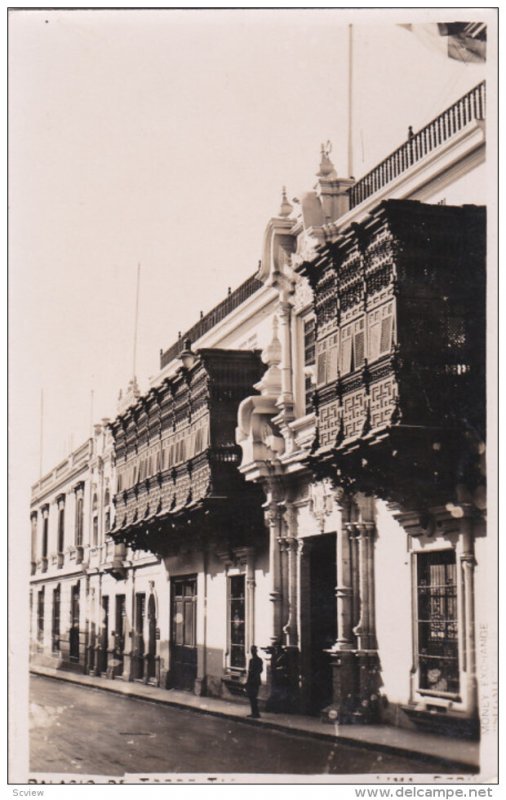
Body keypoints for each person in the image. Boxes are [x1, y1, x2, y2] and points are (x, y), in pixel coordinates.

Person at [245, 645, 263, 718]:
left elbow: (260, 670)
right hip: (251, 681)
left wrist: (254, 675)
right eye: (252, 651)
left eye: (253, 650)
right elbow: (250, 672)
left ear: (256, 651)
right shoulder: (251, 661)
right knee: (251, 697)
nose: (252, 652)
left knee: (254, 697)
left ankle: (256, 713)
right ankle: (254, 712)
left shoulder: (259, 660)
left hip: (255, 681)